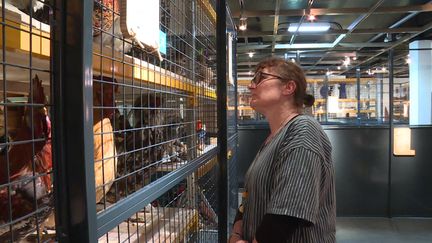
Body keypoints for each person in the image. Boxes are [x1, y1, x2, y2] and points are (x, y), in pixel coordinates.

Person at [229, 57, 336, 243]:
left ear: (288, 87)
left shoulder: (303, 130)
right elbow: (249, 199)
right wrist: (236, 235)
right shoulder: (274, 138)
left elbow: (287, 215)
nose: (251, 86)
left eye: (259, 78)